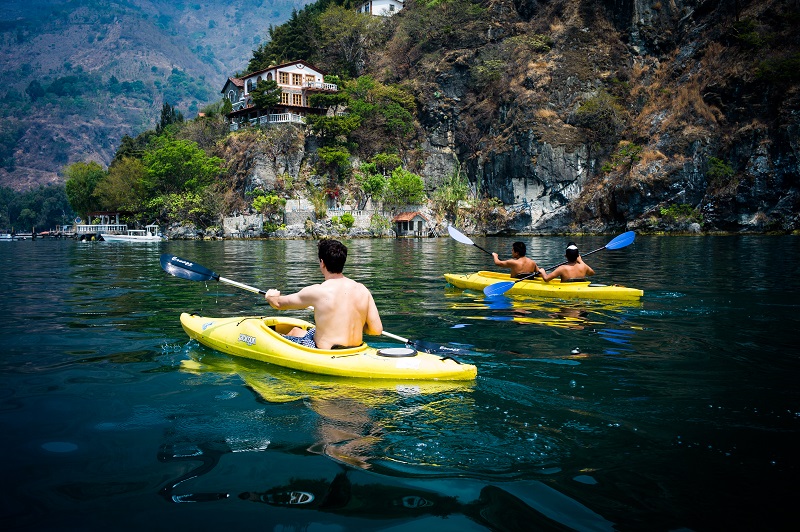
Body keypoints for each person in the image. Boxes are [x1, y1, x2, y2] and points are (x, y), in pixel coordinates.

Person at [265, 239, 383, 349]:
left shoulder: (318, 291)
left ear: (322, 262)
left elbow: (278, 304)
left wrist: (271, 296)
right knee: (297, 331)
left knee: (282, 336)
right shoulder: (363, 290)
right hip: (355, 349)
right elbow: (376, 330)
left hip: (326, 351)